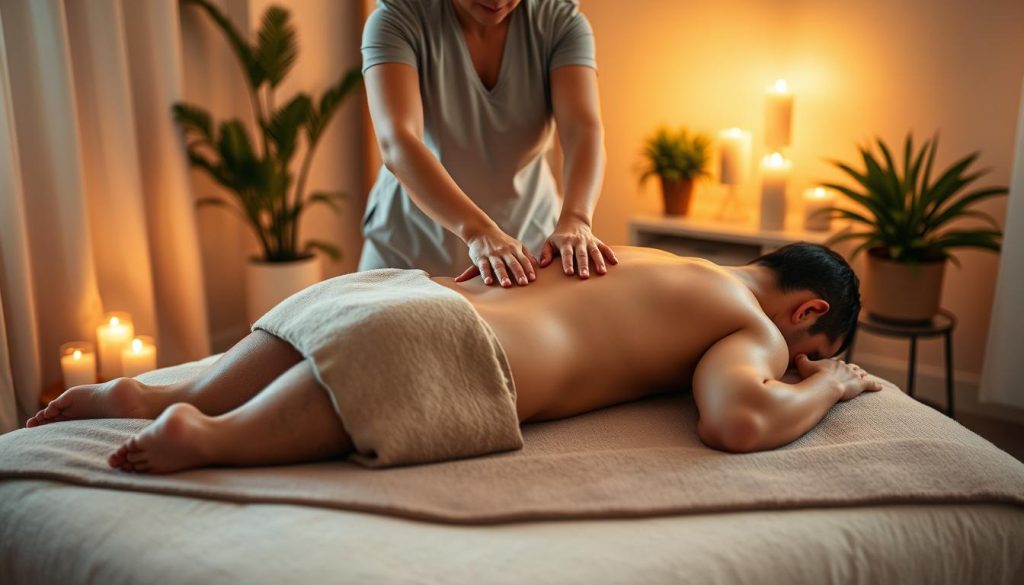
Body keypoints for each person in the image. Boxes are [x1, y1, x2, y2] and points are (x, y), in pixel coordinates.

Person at [27, 243, 881, 473]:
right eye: (812, 349)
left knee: (285, 361)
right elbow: (738, 418)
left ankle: (152, 394)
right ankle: (211, 437)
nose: (795, 364)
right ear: (807, 312)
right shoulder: (754, 324)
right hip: (450, 348)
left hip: (382, 290)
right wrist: (828, 389)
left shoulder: (650, 252)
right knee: (240, 426)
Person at [360, 0, 618, 286]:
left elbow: (583, 130)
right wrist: (478, 232)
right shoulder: (397, 16)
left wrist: (576, 218)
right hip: (407, 253)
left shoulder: (560, 21)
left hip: (525, 252)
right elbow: (398, 141)